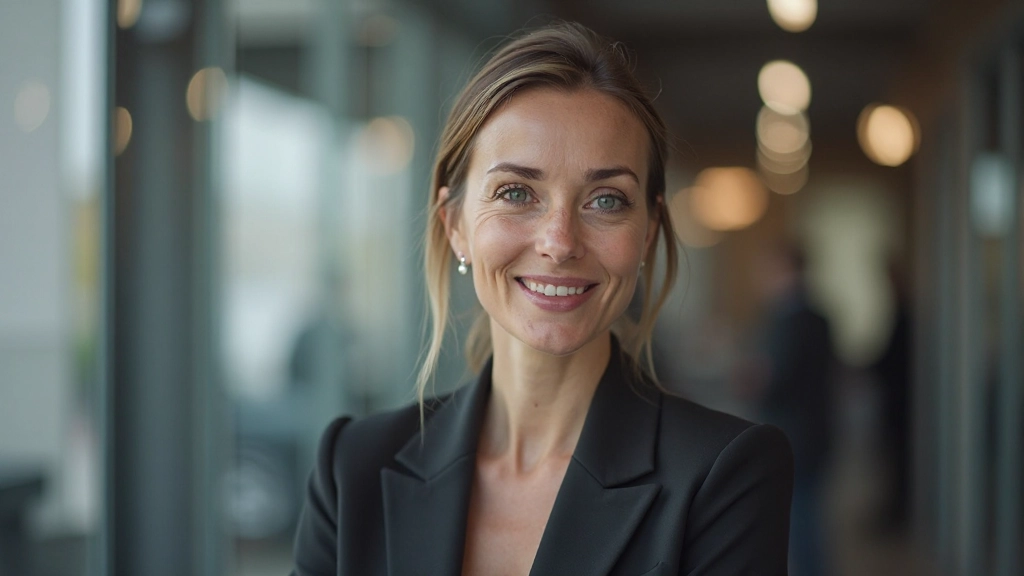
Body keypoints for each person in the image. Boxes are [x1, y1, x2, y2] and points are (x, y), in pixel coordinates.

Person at [291, 22, 794, 576]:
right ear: (455, 223)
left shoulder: (722, 474)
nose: (559, 242)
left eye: (606, 200)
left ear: (648, 232)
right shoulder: (354, 466)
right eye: (515, 193)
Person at [750, 243, 836, 576]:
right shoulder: (818, 316)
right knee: (805, 519)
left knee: (801, 523)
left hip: (797, 436)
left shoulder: (791, 320)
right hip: (815, 432)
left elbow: (776, 381)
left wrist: (752, 378)